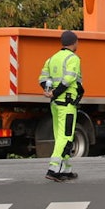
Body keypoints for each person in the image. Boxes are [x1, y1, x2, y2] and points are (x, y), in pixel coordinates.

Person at [39, 30, 83, 182]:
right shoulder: (73, 58)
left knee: (60, 136)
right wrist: (56, 92)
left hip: (55, 104)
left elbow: (42, 78)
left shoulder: (51, 59)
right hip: (67, 103)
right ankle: (53, 169)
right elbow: (69, 79)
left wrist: (49, 91)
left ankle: (65, 169)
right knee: (66, 136)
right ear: (74, 42)